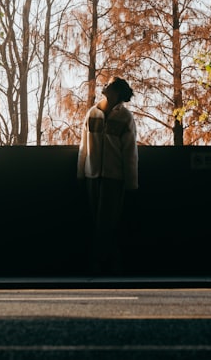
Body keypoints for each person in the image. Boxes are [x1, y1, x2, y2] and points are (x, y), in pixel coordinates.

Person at [77, 76, 138, 274]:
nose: (105, 86)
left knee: (107, 221)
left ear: (117, 91)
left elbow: (130, 152)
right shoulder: (92, 113)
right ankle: (110, 262)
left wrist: (131, 182)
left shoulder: (125, 117)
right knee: (98, 220)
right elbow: (83, 146)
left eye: (109, 85)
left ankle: (101, 263)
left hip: (114, 177)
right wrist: (81, 172)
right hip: (92, 174)